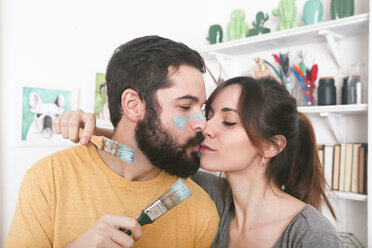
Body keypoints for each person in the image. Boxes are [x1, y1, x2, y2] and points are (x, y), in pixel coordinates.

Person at [57, 76, 343, 247]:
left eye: (229, 122)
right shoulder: (207, 193)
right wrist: (91, 130)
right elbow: (144, 151)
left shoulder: (311, 235)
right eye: (210, 114)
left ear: (270, 146)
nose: (206, 127)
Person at [4, 36, 220, 248]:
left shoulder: (201, 210)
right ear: (133, 105)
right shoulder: (48, 178)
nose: (203, 124)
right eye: (184, 107)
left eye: (201, 109)